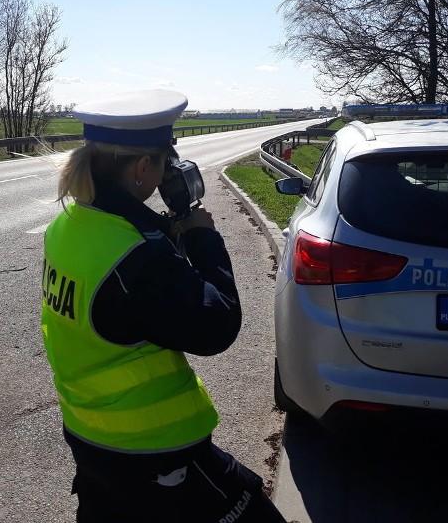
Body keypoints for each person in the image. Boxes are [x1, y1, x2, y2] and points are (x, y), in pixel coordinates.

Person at [40, 89, 287, 522]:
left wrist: (162, 231)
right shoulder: (137, 258)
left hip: (89, 434)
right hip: (155, 451)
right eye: (161, 164)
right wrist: (203, 239)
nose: (164, 176)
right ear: (140, 167)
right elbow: (216, 326)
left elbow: (125, 301)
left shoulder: (71, 224)